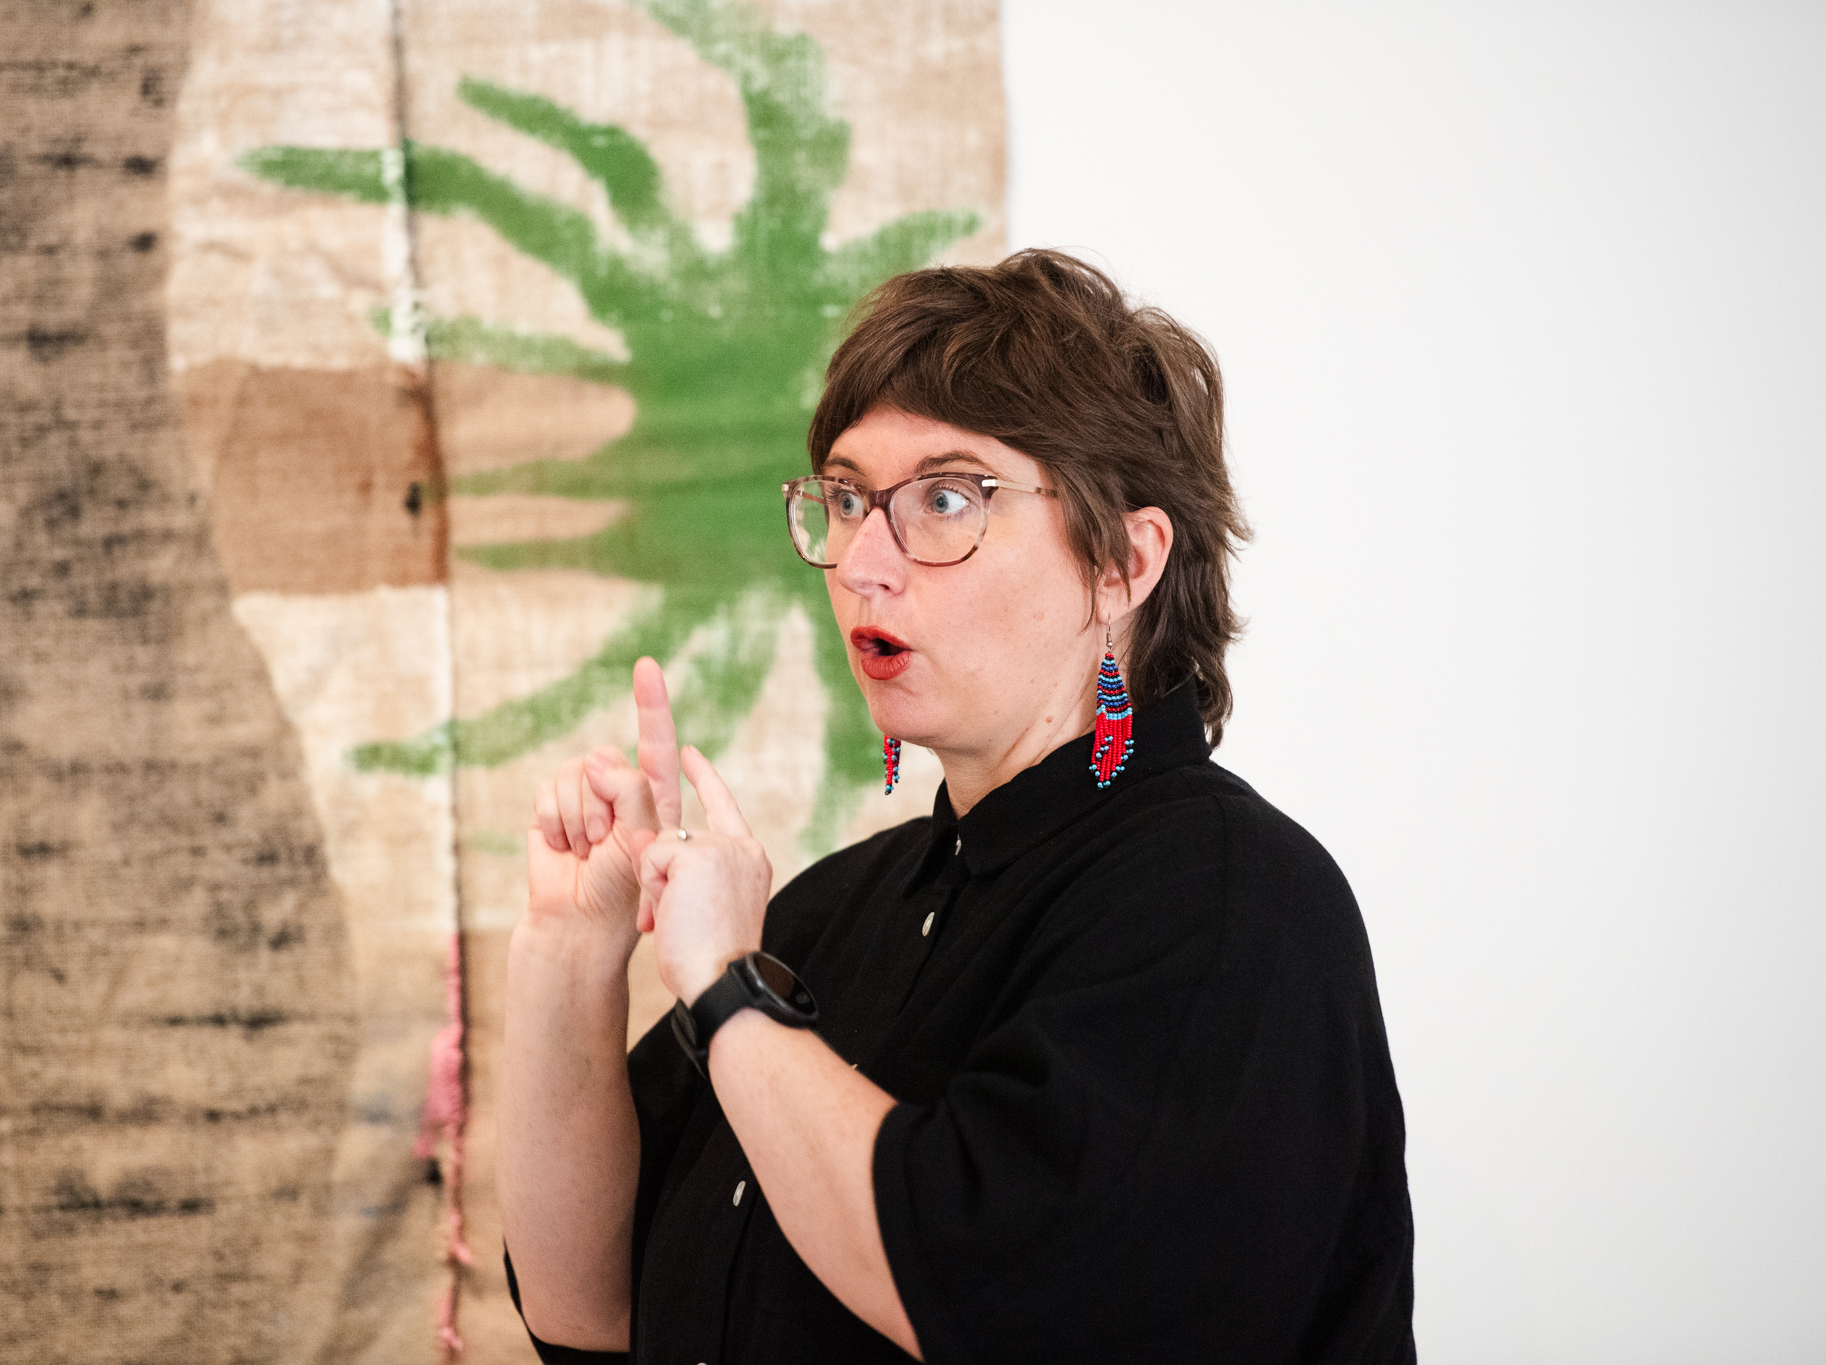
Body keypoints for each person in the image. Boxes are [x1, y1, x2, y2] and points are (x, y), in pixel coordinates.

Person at [497, 249, 1415, 1363]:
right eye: (845, 499)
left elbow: (987, 1298)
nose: (861, 565)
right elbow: (580, 1310)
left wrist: (729, 993)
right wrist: (569, 951)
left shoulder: (1232, 901)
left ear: (1122, 563)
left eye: (944, 498)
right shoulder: (834, 913)